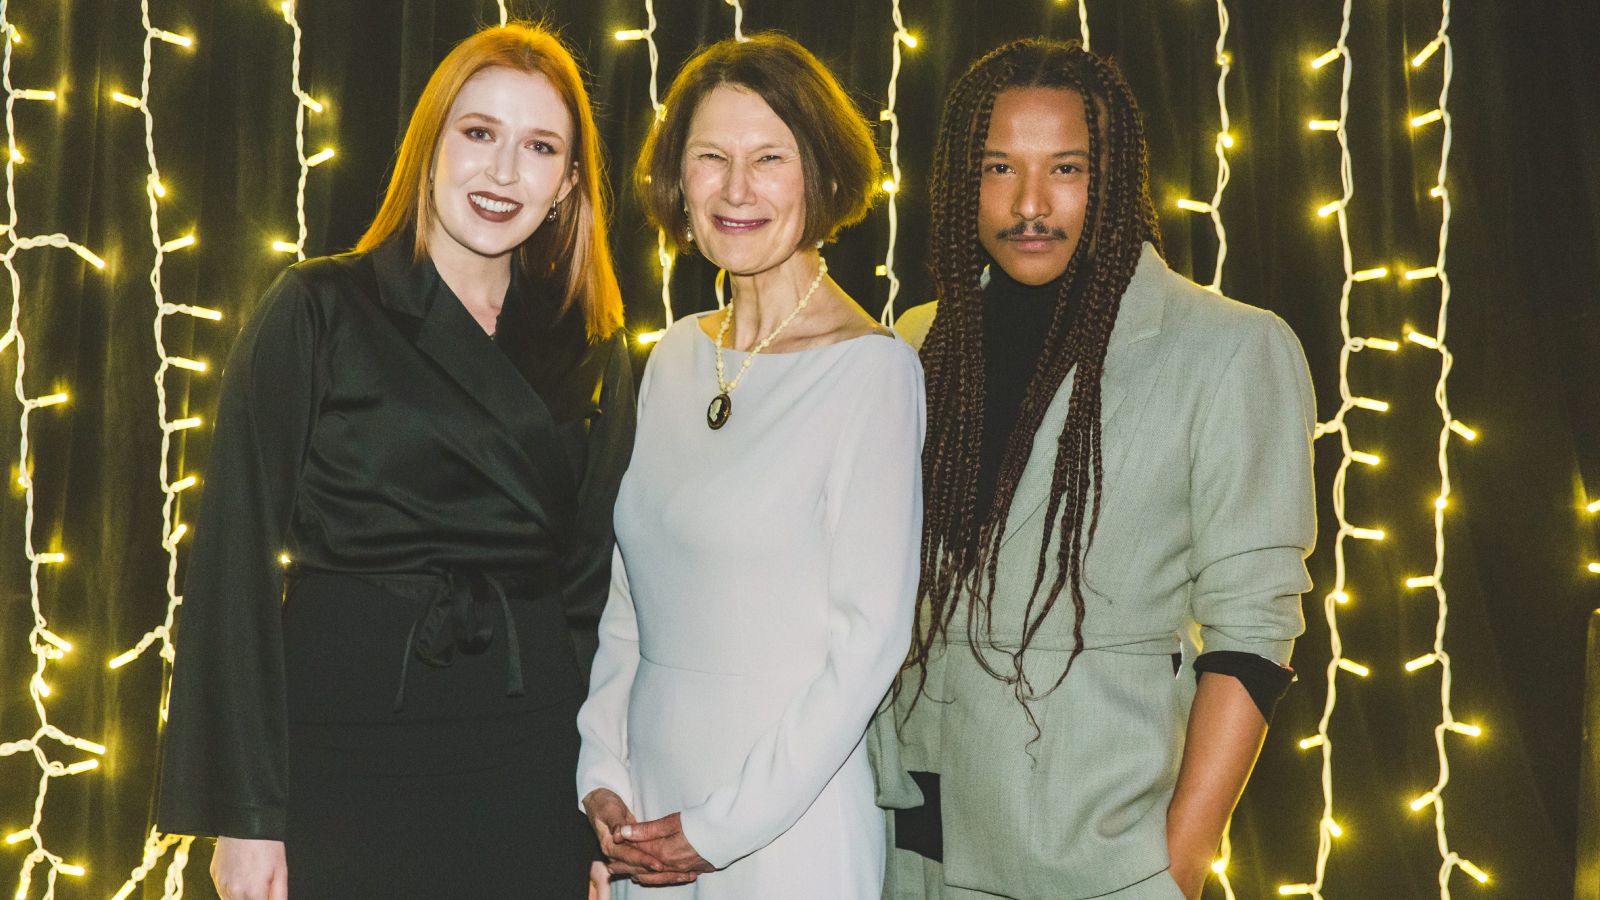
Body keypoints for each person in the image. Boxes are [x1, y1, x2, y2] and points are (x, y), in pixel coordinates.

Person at [156, 22, 634, 900]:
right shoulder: (317, 308)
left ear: (567, 183)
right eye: (479, 133)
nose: (502, 173)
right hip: (340, 748)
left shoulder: (594, 348)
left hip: (525, 759)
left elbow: (591, 594)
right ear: (430, 146)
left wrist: (589, 804)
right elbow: (233, 566)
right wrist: (245, 817)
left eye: (538, 148)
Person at [873, 39, 1316, 900]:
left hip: (1101, 854)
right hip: (911, 846)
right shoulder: (916, 343)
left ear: (1113, 178)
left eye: (1066, 168)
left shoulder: (1228, 348)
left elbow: (1252, 630)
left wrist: (1176, 864)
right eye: (999, 167)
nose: (1030, 203)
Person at [576, 32, 925, 900]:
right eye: (711, 158)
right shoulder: (673, 357)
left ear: (824, 176)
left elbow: (869, 643)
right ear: (678, 181)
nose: (736, 190)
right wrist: (602, 768)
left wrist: (721, 827)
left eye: (770, 158)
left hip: (784, 823)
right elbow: (629, 594)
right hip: (647, 813)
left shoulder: (872, 371)